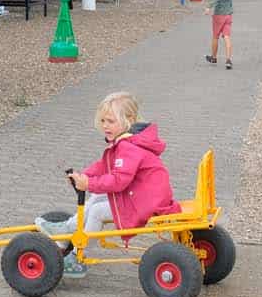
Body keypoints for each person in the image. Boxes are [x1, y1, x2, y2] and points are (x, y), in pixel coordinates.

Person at [36, 91, 177, 279]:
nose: (105, 126)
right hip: (141, 196)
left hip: (145, 203)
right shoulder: (127, 141)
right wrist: (84, 175)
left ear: (129, 119)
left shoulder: (129, 147)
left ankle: (79, 257)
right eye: (103, 121)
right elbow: (104, 166)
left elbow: (119, 181)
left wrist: (89, 183)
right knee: (97, 198)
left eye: (111, 121)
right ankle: (65, 235)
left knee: (97, 211)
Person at [205, 0, 235, 69]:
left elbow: (215, 0)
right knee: (227, 37)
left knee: (215, 36)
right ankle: (228, 60)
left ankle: (214, 57)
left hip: (219, 16)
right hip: (228, 16)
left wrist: (208, 7)